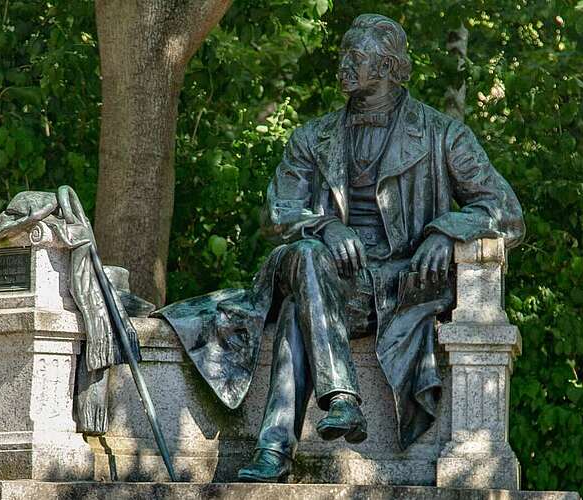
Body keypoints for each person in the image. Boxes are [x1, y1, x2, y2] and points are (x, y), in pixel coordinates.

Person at [156, 13, 523, 483]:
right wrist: (325, 225)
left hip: (396, 288)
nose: (343, 65)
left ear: (388, 65)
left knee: (297, 310)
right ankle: (342, 397)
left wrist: (446, 229)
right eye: (343, 54)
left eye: (356, 56)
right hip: (326, 272)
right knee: (308, 257)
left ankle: (274, 449)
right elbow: (276, 213)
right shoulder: (313, 137)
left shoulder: (440, 135)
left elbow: (506, 212)